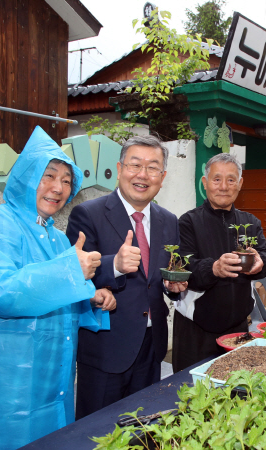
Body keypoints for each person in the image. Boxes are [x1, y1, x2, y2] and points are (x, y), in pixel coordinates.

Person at [0, 126, 115, 450]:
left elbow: (56, 297)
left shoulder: (55, 236)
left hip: (52, 384)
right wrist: (70, 272)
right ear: (26, 176)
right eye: (48, 175)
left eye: (67, 181)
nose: (58, 188)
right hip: (3, 383)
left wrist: (90, 297)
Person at [66, 135, 187, 419]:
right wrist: (115, 265)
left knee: (144, 427)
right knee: (97, 432)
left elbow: (164, 278)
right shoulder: (88, 214)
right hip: (106, 346)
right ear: (119, 169)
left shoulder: (168, 220)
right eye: (135, 165)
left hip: (152, 344)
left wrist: (174, 287)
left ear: (163, 176)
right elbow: (72, 275)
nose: (142, 175)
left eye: (153, 167)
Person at [172, 153, 266, 372]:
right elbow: (184, 268)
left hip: (238, 327)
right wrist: (214, 268)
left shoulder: (250, 223)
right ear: (205, 182)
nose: (224, 186)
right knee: (193, 395)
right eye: (217, 179)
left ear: (240, 184)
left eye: (231, 179)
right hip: (195, 330)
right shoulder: (188, 222)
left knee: (238, 391)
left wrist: (260, 263)